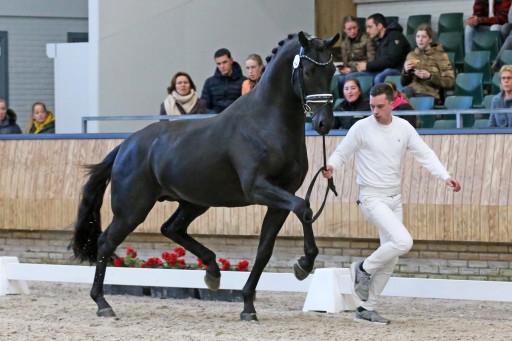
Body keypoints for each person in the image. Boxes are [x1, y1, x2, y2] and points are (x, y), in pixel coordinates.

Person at [322, 83, 461, 324]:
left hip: (395, 198)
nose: (375, 111)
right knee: (403, 241)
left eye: (380, 106)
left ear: (393, 102)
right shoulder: (361, 128)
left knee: (391, 259)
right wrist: (332, 166)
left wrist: (444, 176)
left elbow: (425, 154)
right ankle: (362, 269)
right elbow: (341, 152)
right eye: (372, 106)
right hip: (371, 197)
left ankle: (366, 308)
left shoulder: (404, 127)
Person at [350, 13, 411, 85]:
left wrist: (367, 66)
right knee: (351, 77)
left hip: (397, 70)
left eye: (370, 27)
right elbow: (379, 62)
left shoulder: (395, 36)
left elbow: (391, 60)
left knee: (379, 78)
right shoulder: (379, 40)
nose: (367, 31)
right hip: (381, 71)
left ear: (379, 26)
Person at [401, 24, 455, 102]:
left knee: (406, 96)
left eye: (424, 37)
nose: (420, 39)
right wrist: (405, 72)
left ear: (430, 40)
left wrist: (430, 76)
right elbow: (403, 83)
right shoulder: (411, 55)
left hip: (429, 94)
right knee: (405, 92)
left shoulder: (440, 56)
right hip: (411, 91)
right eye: (418, 36)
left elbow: (450, 82)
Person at [337, 16, 376, 93]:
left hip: (366, 70)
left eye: (354, 28)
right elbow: (346, 64)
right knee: (335, 79)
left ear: (358, 27)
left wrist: (352, 69)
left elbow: (371, 61)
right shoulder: (344, 44)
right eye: (349, 29)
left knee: (346, 79)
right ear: (344, 30)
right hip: (351, 71)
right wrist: (343, 70)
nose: (353, 31)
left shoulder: (367, 39)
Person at [200, 48, 246, 114]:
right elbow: (204, 106)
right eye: (219, 64)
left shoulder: (243, 82)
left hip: (236, 118)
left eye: (225, 62)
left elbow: (246, 105)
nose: (222, 66)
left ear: (231, 61)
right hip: (215, 119)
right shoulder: (209, 82)